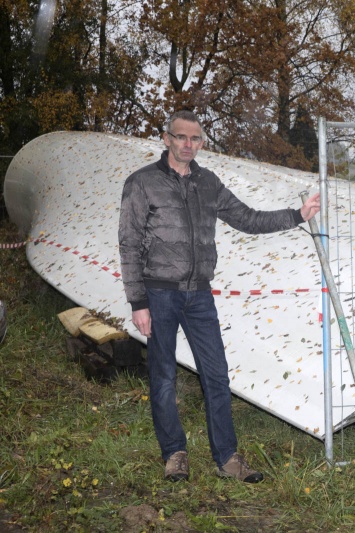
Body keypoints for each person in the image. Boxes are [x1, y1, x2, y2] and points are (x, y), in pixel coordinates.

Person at [118, 110, 321, 483]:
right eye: (180, 137)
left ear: (201, 143)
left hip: (199, 296)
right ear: (166, 139)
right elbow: (129, 244)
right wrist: (138, 303)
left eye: (194, 139)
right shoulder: (142, 183)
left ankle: (227, 458)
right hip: (158, 294)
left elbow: (248, 219)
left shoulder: (208, 183)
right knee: (163, 377)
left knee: (216, 375)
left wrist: (298, 215)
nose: (187, 145)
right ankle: (174, 454)